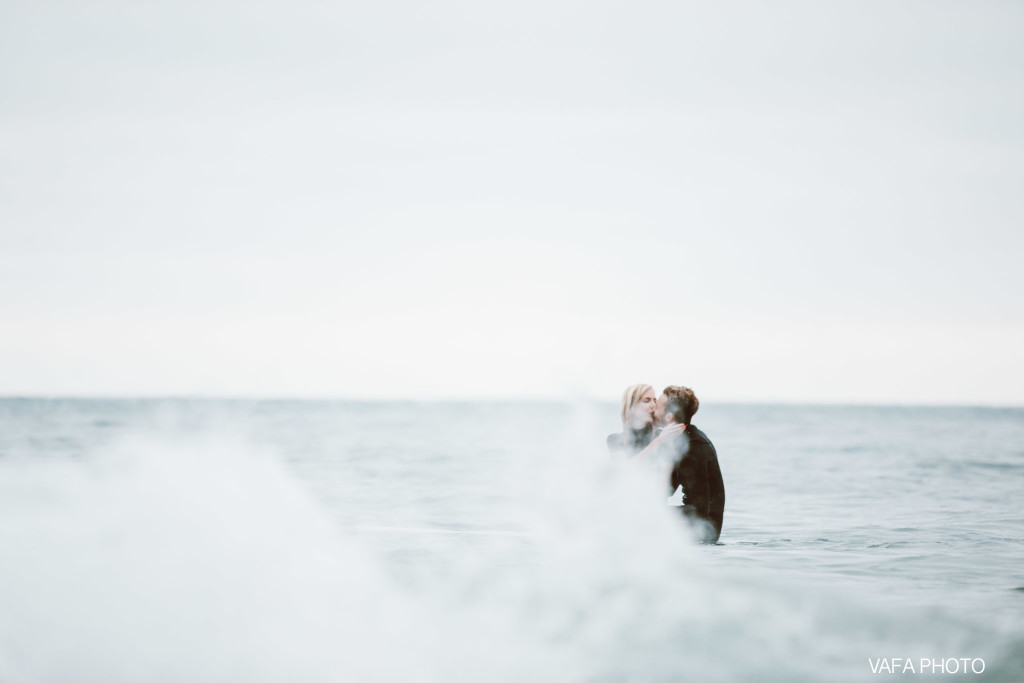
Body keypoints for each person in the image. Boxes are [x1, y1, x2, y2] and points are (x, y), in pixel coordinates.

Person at [657, 385, 726, 543]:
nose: (653, 409)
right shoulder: (683, 439)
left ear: (669, 417)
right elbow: (668, 490)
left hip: (702, 533)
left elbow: (700, 510)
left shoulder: (694, 447)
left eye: (658, 406)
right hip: (696, 524)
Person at [607, 384, 686, 458]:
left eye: (654, 401)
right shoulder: (616, 439)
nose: (653, 405)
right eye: (646, 401)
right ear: (631, 406)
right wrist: (659, 440)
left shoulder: (661, 433)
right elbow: (624, 469)